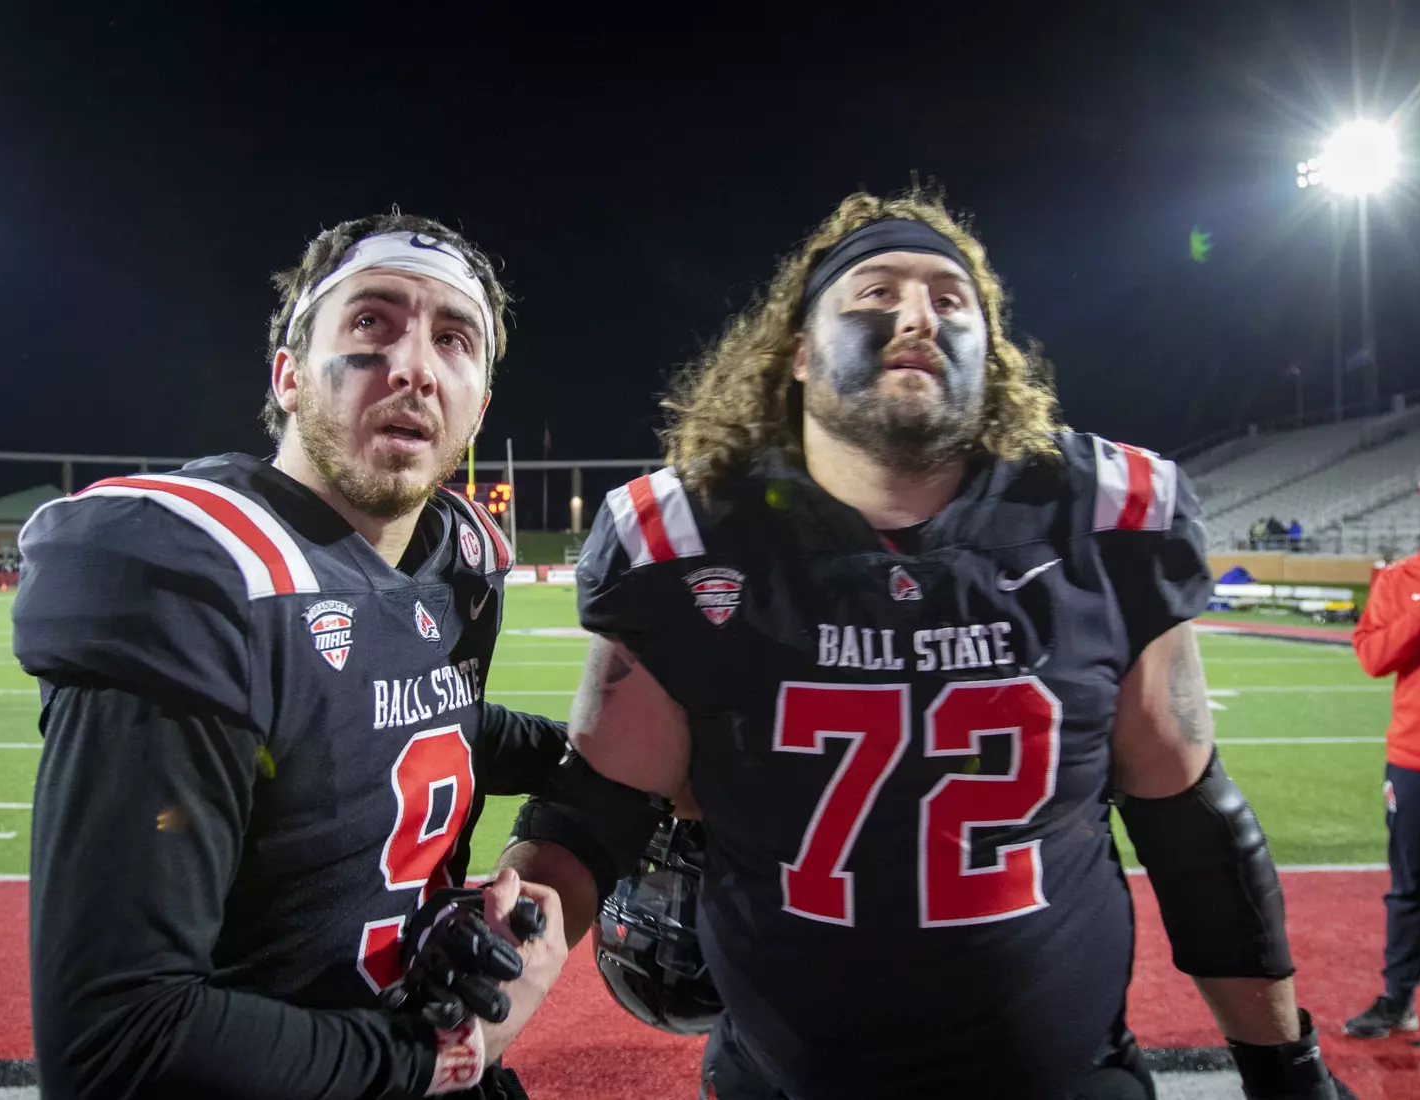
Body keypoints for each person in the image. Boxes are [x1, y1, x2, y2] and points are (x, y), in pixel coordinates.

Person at [500, 191, 1345, 1099]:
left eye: (952, 298)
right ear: (794, 352)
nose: (916, 313)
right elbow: (592, 820)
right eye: (874, 291)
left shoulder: (1102, 517)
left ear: (993, 351)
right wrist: (494, 959)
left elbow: (1193, 833)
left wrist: (1287, 1071)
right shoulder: (689, 538)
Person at [14, 214, 574, 1099]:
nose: (415, 367)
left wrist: (601, 760)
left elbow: (418, 716)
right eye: (370, 322)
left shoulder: (458, 558)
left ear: (479, 403)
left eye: (454, 339)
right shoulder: (201, 569)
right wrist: (440, 1058)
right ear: (287, 375)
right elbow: (118, 1041)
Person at [1348, 550, 1420, 1038]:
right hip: (1415, 757)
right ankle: (1397, 1000)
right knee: (1410, 887)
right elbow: (1374, 658)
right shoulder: (1402, 578)